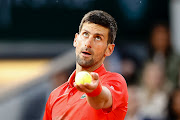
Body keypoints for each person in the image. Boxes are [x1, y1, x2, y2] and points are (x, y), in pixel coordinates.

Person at [43, 10, 128, 120]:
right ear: (75, 40)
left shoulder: (116, 81)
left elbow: (101, 100)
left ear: (109, 49)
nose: (88, 43)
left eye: (98, 38)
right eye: (85, 34)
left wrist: (94, 90)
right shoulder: (55, 95)